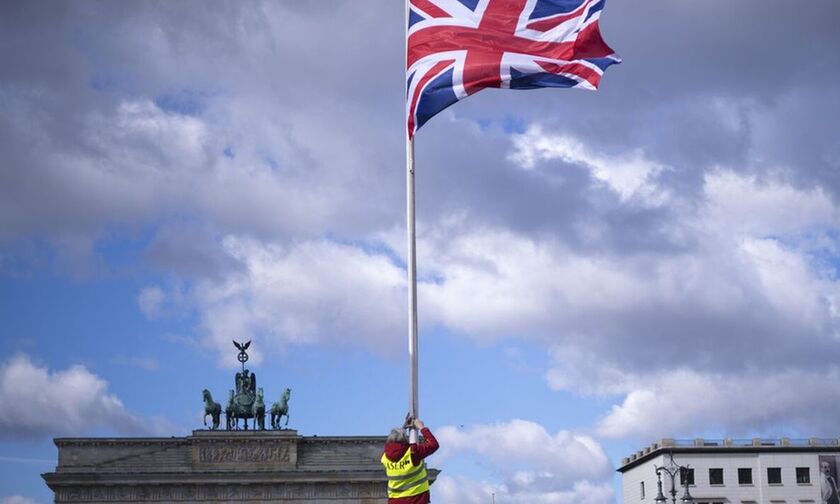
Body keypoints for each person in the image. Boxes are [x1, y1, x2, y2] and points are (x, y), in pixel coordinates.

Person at [381, 417, 439, 503]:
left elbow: (396, 444)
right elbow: (434, 444)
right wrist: (421, 427)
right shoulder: (413, 452)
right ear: (405, 439)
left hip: (395, 501)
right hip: (416, 500)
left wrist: (404, 427)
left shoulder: (385, 457)